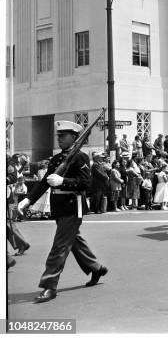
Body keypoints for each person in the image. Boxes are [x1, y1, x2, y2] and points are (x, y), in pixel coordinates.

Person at [17, 121, 108, 303]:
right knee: (74, 242)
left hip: (73, 206)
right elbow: (44, 182)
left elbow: (86, 183)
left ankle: (49, 285)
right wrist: (28, 200)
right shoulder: (56, 159)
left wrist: (63, 181)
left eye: (63, 136)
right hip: (60, 207)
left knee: (59, 247)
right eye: (58, 135)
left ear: (74, 137)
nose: (59, 138)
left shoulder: (80, 157)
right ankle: (97, 268)